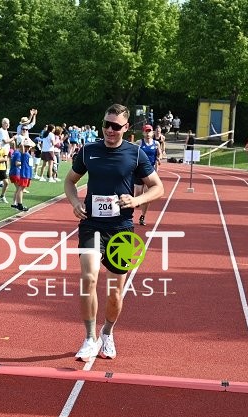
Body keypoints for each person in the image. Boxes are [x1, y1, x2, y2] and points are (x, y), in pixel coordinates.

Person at [64, 104, 163, 361]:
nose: (110, 130)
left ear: (126, 128)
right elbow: (69, 181)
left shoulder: (136, 154)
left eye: (116, 126)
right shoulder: (88, 152)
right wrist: (75, 202)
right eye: (106, 124)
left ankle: (107, 333)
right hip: (92, 225)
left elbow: (157, 187)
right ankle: (89, 337)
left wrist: (135, 201)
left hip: (121, 228)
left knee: (115, 291)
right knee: (89, 278)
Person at [136, 124, 161, 226]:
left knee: (147, 196)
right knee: (137, 195)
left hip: (150, 173)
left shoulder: (156, 144)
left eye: (149, 131)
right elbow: (133, 153)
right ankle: (137, 204)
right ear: (143, 132)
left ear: (152, 132)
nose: (148, 133)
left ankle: (143, 216)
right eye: (146, 131)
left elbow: (159, 154)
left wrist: (158, 159)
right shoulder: (139, 143)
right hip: (138, 172)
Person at [9, 138, 35, 211]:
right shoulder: (23, 153)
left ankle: (18, 204)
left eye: (28, 147)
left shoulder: (27, 153)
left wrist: (28, 139)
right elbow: (22, 146)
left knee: (20, 189)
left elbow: (33, 144)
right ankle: (19, 204)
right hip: (25, 173)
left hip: (28, 174)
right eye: (26, 146)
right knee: (20, 189)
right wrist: (23, 142)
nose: (28, 148)